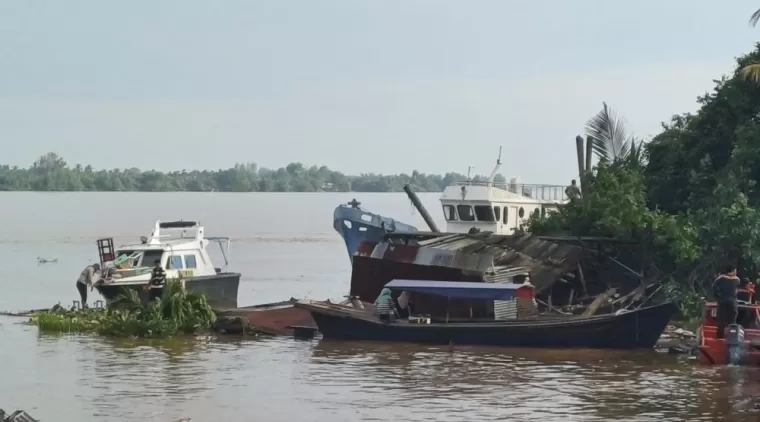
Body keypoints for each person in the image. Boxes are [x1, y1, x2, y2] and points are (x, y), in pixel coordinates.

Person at [712, 264, 740, 339]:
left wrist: (718, 297)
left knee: (721, 320)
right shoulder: (737, 279)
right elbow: (736, 291)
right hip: (733, 302)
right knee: (732, 321)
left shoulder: (721, 278)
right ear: (733, 270)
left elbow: (714, 287)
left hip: (722, 300)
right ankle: (732, 337)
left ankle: (719, 337)